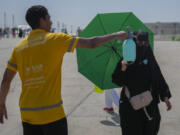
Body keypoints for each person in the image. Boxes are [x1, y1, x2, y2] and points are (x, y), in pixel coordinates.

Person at [0, 5, 128, 135]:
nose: (51, 22)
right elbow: (92, 43)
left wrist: (1, 103)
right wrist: (116, 35)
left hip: (27, 114)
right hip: (52, 115)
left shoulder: (19, 48)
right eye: (49, 18)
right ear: (42, 20)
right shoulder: (56, 39)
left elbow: (6, 80)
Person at [112, 30, 172, 135]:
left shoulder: (149, 56)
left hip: (149, 105)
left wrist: (165, 96)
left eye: (146, 42)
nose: (143, 45)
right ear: (134, 42)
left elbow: (157, 76)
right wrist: (122, 69)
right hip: (130, 107)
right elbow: (117, 80)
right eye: (140, 43)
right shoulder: (126, 59)